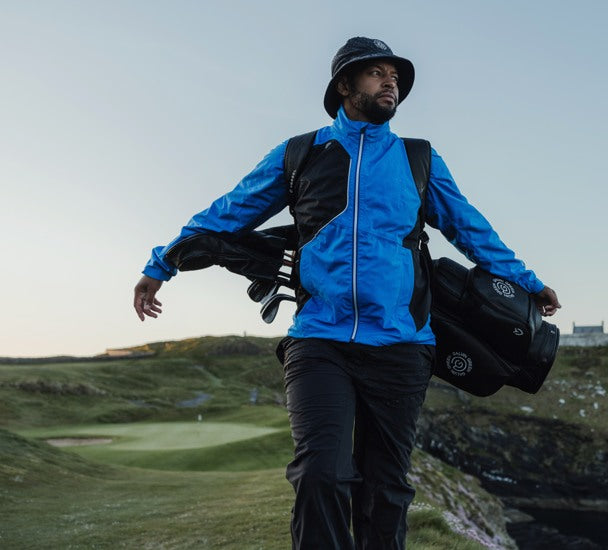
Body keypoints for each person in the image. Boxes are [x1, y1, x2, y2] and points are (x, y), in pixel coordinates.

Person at [133, 36, 560, 550]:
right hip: (319, 340)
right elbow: (229, 211)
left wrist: (529, 283)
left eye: (395, 75)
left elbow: (472, 229)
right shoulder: (300, 154)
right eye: (377, 73)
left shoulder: (418, 158)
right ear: (344, 85)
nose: (391, 81)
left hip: (402, 346)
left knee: (385, 491)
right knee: (321, 474)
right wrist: (163, 263)